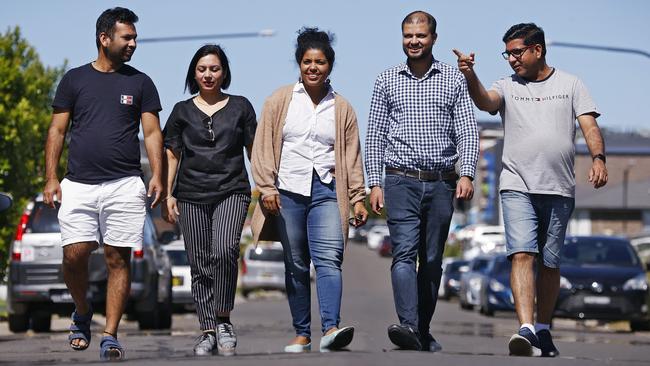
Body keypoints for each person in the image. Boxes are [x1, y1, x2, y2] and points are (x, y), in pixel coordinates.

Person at [453, 23, 608, 357]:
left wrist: (598, 158)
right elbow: (485, 102)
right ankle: (525, 329)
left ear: (537, 50)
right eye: (507, 53)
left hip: (559, 187)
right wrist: (469, 75)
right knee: (522, 254)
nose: (511, 60)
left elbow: (589, 126)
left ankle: (543, 328)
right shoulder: (506, 86)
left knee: (550, 264)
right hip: (517, 184)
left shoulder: (572, 84)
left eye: (517, 52)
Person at [43, 7, 163, 361]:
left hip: (125, 184)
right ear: (104, 38)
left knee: (117, 259)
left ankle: (110, 335)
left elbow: (153, 132)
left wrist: (158, 175)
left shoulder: (140, 82)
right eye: (127, 37)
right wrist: (50, 177)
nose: (133, 44)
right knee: (74, 255)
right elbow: (57, 130)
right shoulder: (74, 79)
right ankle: (82, 310)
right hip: (78, 184)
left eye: (134, 37)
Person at [365, 11, 479, 352]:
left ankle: (422, 330)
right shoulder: (386, 80)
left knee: (432, 260)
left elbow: (468, 131)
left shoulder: (453, 79)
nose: (414, 41)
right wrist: (375, 182)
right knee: (403, 254)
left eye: (421, 35)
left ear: (433, 38)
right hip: (400, 181)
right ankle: (409, 324)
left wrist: (467, 172)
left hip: (442, 182)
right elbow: (374, 136)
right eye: (408, 35)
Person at [251, 27, 367, 353]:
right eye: (306, 61)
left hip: (327, 191)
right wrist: (266, 188)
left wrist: (357, 197)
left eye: (319, 61)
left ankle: (331, 328)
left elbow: (352, 155)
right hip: (287, 190)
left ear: (330, 65)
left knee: (329, 260)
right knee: (297, 263)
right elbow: (262, 148)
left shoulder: (342, 108)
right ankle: (302, 333)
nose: (313, 67)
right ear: (299, 64)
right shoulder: (279, 100)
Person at [162, 44, 256, 357]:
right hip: (190, 194)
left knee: (225, 250)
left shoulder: (241, 107)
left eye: (214, 69)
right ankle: (207, 330)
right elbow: (172, 153)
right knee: (199, 264)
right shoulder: (181, 111)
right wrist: (168, 193)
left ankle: (224, 318)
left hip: (232, 190)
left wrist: (266, 187)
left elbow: (254, 151)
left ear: (224, 72)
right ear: (194, 73)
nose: (208, 74)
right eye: (202, 69)